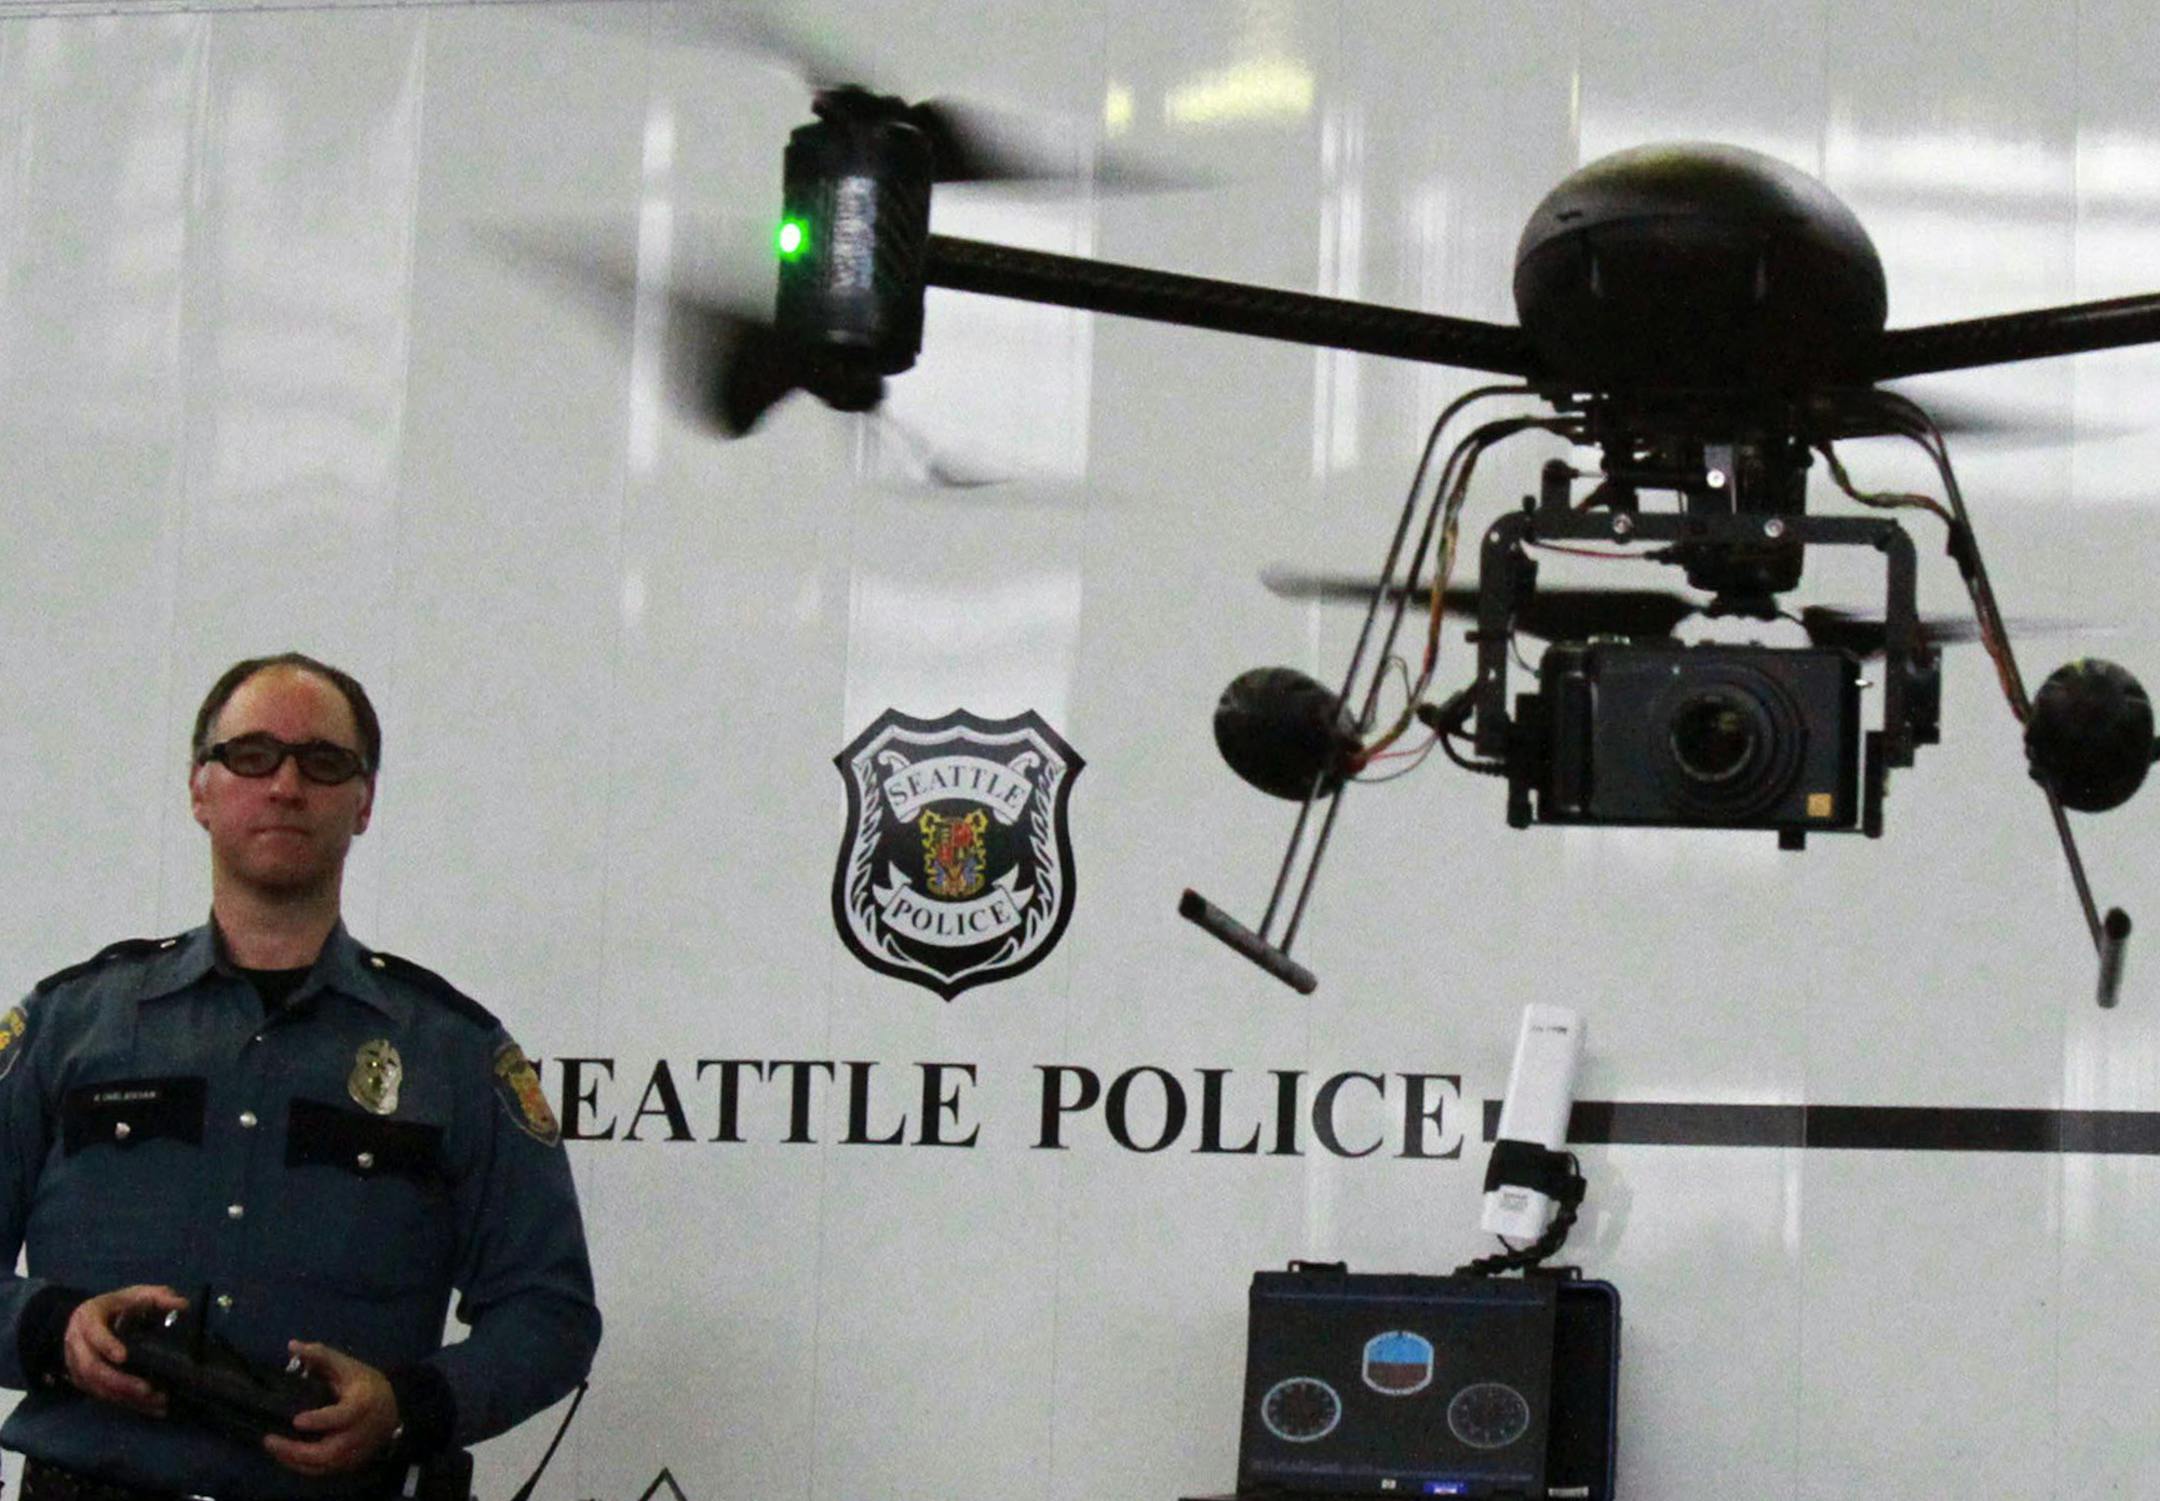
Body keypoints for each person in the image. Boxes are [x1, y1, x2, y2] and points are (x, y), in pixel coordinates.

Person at [0, 652, 601, 1498]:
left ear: (364, 802)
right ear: (199, 790)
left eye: (323, 762)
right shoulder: (71, 1024)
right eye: (251, 756)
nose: (285, 784)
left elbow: (552, 1313)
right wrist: (50, 1329)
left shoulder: (452, 1053)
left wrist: (407, 1403)